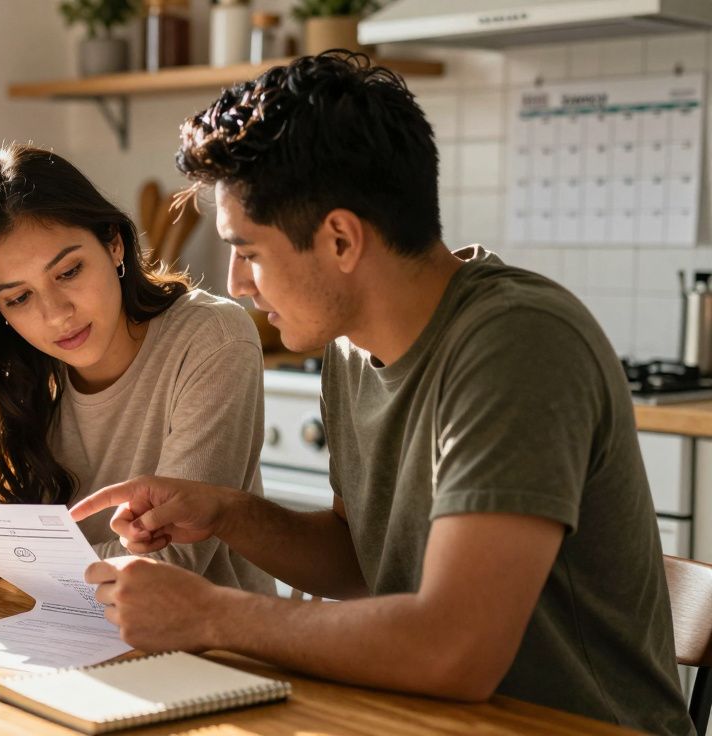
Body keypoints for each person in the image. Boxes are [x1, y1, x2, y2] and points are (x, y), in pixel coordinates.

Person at [70, 52, 693, 735]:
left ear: (340, 238)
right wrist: (226, 514)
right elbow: (363, 562)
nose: (237, 283)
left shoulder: (517, 344)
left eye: (248, 251)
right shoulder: (350, 345)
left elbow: (455, 650)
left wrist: (211, 614)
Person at [0, 144, 272, 594]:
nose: (56, 314)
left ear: (114, 243)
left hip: (215, 649)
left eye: (68, 272)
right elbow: (19, 558)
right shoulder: (20, 371)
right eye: (19, 298)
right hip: (64, 633)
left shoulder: (212, 338)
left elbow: (167, 565)